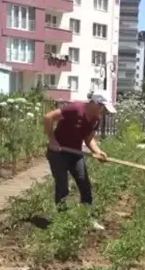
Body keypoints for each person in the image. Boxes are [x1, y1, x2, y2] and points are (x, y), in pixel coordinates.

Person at [43, 91, 117, 230]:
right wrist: (52, 140)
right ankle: (62, 221)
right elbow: (48, 117)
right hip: (58, 153)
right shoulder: (75, 108)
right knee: (62, 186)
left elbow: (88, 138)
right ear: (95, 103)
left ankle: (87, 218)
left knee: (85, 185)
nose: (104, 111)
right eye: (103, 107)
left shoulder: (96, 119)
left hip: (76, 154)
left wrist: (98, 151)